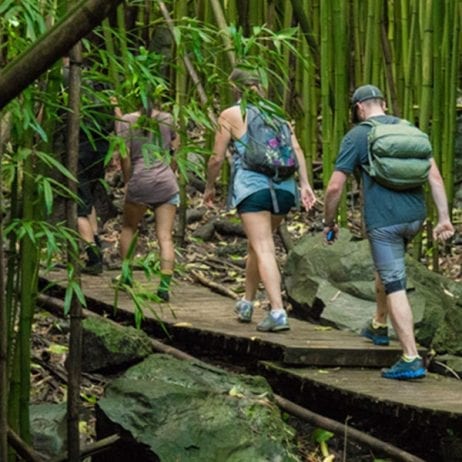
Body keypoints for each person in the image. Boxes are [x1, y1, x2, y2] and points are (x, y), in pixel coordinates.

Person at [323, 84, 454, 380]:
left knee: (395, 284)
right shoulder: (409, 130)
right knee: (386, 268)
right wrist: (443, 218)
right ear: (382, 103)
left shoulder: (358, 135)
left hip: (384, 222)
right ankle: (379, 325)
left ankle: (410, 357)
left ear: (359, 109)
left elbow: (333, 187)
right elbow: (434, 176)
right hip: (415, 218)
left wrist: (328, 221)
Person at [204, 68, 316, 332]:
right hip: (284, 189)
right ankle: (247, 302)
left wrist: (210, 186)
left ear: (234, 88)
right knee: (258, 246)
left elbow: (216, 157)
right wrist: (305, 184)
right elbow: (297, 149)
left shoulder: (231, 114)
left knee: (264, 246)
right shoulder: (277, 113)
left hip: (253, 188)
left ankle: (277, 311)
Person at [115, 101, 179, 302]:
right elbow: (175, 149)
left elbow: (124, 155)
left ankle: (126, 277)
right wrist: (173, 171)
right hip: (166, 180)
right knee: (165, 237)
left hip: (140, 179)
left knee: (129, 228)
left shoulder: (127, 120)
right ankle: (164, 286)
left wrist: (128, 181)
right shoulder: (167, 119)